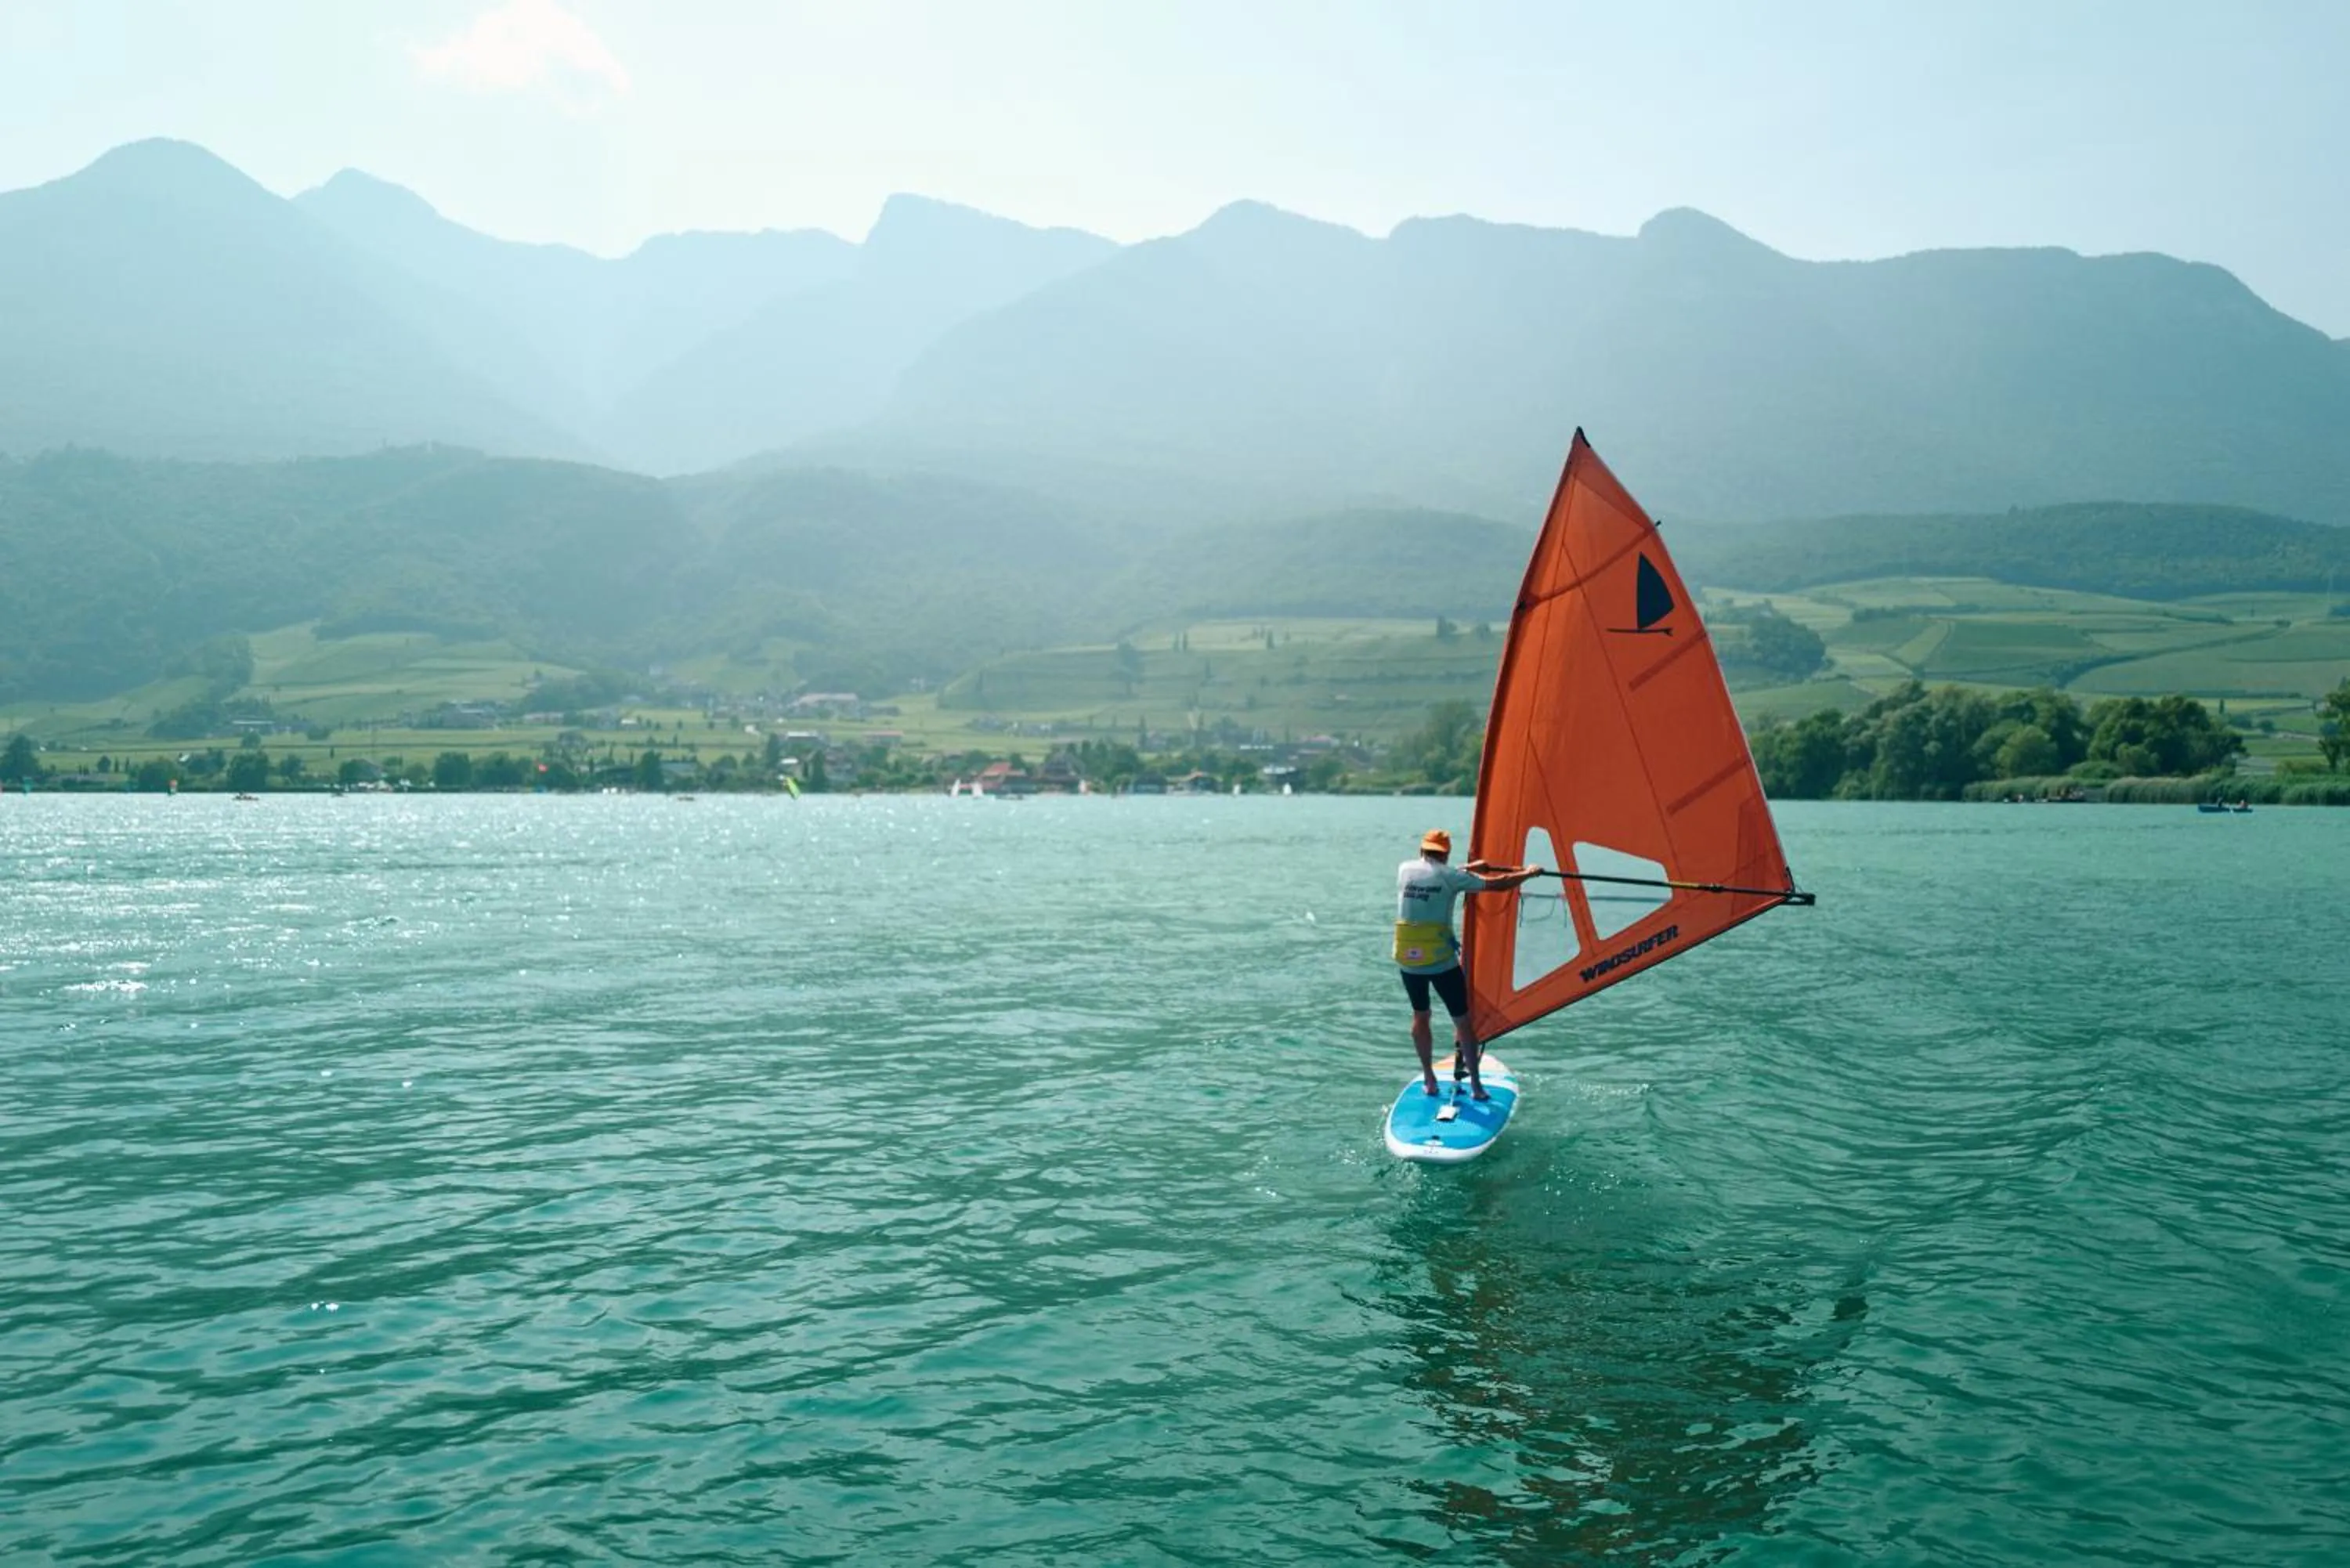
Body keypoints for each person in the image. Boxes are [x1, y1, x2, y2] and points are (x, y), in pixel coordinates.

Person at [1395, 829, 1538, 1100]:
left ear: (1422, 851)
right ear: (1446, 854)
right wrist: (1529, 873)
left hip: (1407, 959)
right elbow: (1499, 883)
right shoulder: (1451, 876)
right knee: (1462, 1021)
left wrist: (1470, 868)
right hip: (1439, 961)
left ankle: (1429, 1079)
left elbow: (1437, 875)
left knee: (1421, 1015)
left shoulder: (1405, 869)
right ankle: (1476, 1087)